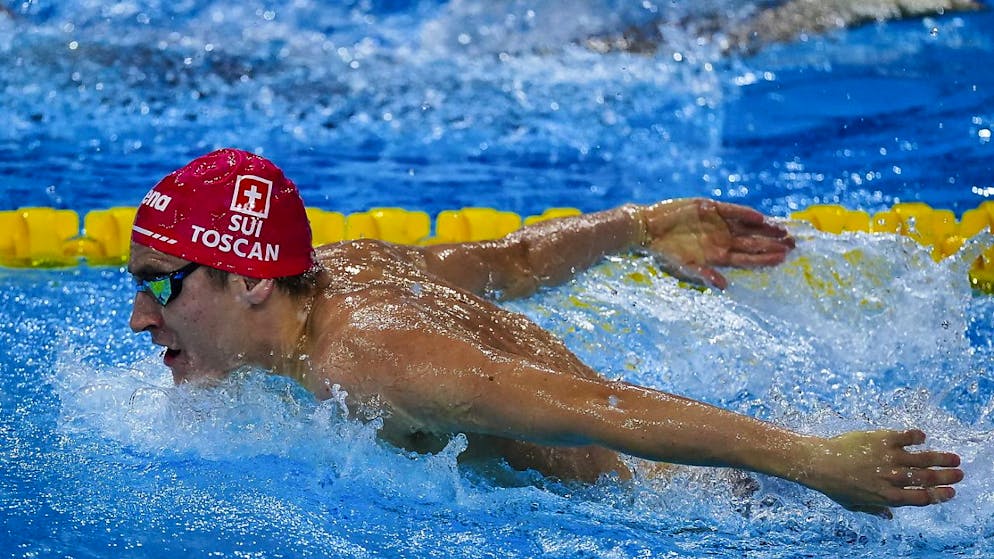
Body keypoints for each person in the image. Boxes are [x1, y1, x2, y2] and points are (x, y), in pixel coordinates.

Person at [128, 148, 963, 518]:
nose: (140, 316)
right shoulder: (344, 268)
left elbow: (597, 407)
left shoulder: (370, 358)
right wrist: (642, 224)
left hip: (703, 510)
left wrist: (811, 461)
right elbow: (516, 258)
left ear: (250, 280)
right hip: (706, 478)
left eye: (161, 283)